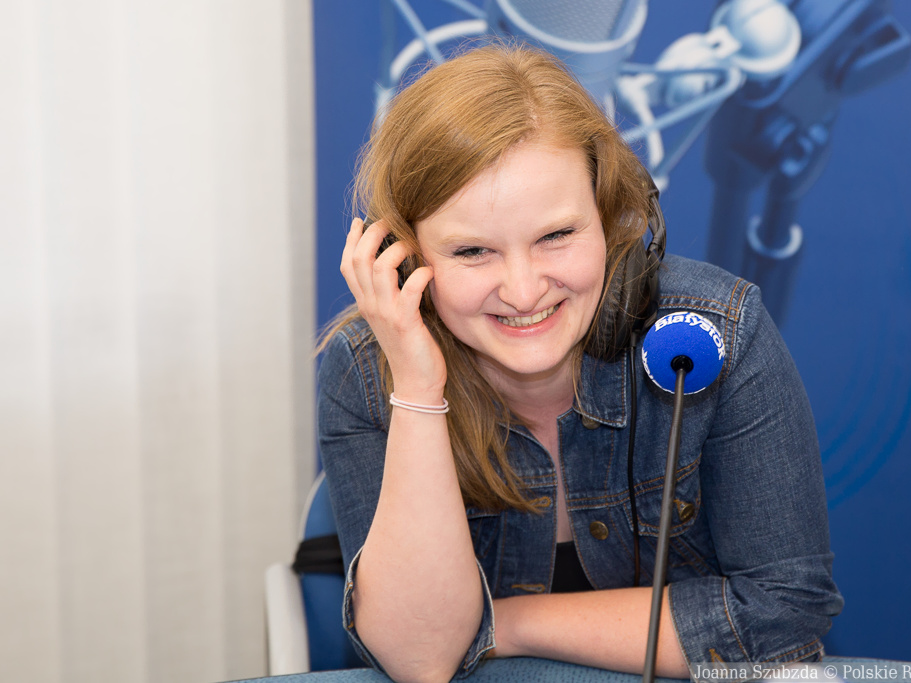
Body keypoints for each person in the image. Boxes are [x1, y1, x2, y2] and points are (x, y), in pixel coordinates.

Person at [317, 43, 843, 683]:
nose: (523, 291)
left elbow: (784, 615)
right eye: (473, 251)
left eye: (556, 236)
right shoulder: (369, 372)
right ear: (405, 259)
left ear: (611, 217)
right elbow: (421, 658)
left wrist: (502, 624)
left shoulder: (715, 333)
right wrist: (419, 391)